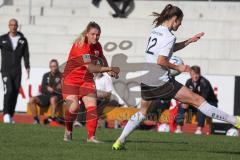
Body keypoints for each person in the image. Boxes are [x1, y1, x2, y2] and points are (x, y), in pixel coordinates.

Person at [112, 4, 240, 150]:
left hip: (147, 80)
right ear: (174, 19)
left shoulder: (156, 31)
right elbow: (161, 60)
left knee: (142, 112)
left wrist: (189, 41)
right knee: (198, 101)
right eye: (180, 21)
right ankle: (235, 120)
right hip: (161, 82)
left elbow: (167, 49)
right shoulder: (169, 36)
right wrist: (179, 67)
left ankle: (119, 141)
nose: (180, 24)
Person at [62, 21, 120, 143]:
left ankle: (91, 137)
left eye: (98, 34)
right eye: (93, 34)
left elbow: (102, 58)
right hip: (71, 80)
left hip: (86, 80)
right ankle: (68, 130)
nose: (95, 37)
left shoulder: (97, 45)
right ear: (87, 34)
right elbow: (91, 68)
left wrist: (108, 70)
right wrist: (109, 69)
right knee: (74, 108)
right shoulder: (81, 46)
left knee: (92, 107)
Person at [0, 18, 30, 123]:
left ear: (17, 26)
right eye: (11, 25)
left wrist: (27, 67)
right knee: (8, 90)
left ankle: (11, 115)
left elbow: (26, 55)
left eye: (15, 25)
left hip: (17, 71)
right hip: (5, 70)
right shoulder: (2, 38)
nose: (13, 27)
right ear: (9, 26)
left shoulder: (23, 40)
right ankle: (6, 114)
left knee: (15, 92)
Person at [175, 65, 218, 134]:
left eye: (197, 74)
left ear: (199, 74)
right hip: (195, 102)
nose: (195, 76)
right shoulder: (189, 82)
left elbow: (204, 99)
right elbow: (185, 95)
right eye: (193, 74)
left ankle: (199, 129)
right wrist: (185, 102)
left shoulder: (204, 82)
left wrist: (190, 102)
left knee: (202, 107)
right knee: (181, 106)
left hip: (210, 103)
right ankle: (178, 128)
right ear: (190, 74)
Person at [29, 59, 62, 124]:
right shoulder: (46, 75)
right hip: (46, 96)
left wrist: (53, 89)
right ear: (50, 67)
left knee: (52, 99)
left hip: (57, 96)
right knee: (32, 99)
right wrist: (47, 88)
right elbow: (42, 88)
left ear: (57, 66)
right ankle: (36, 120)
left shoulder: (61, 76)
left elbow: (61, 90)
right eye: (52, 66)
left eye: (55, 66)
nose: (53, 68)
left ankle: (52, 119)